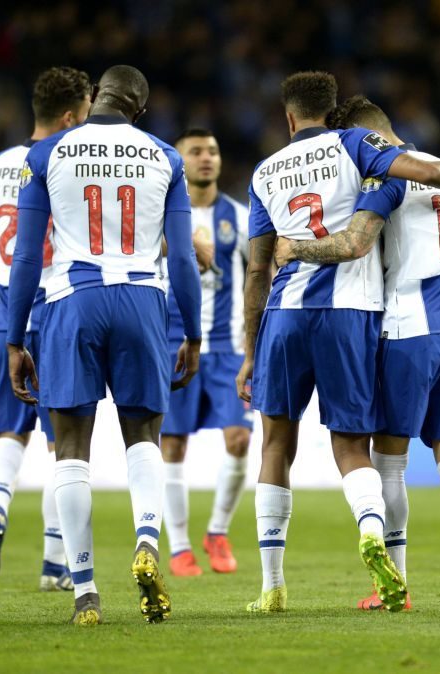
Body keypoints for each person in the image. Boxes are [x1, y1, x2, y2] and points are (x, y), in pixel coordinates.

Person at [237, 71, 440, 613]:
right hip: (437, 323)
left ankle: (278, 585)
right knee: (402, 454)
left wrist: (289, 261)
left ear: (288, 117)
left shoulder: (277, 170)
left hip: (330, 317)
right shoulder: (406, 168)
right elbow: (418, 185)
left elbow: (274, 264)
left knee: (286, 447)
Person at [6, 65, 203, 626]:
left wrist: (17, 338)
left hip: (72, 299)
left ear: (94, 98)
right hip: (142, 300)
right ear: (139, 109)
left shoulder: (47, 155)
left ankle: (86, 592)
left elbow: (25, 257)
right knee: (143, 434)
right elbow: (183, 258)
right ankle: (146, 541)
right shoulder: (165, 157)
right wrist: (189, 331)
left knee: (70, 445)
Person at [0, 66, 91, 591]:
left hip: (4, 316)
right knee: (63, 443)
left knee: (8, 430)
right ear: (68, 117)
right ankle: (54, 564)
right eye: (84, 116)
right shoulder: (69, 165)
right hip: (56, 312)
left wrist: (11, 264)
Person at [161, 129, 252, 577]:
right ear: (178, 163)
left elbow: (261, 278)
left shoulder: (240, 217)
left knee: (239, 439)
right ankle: (178, 546)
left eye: (212, 151)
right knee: (172, 445)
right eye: (195, 152)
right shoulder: (158, 220)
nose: (205, 158)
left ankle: (217, 531)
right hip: (172, 346)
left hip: (228, 350)